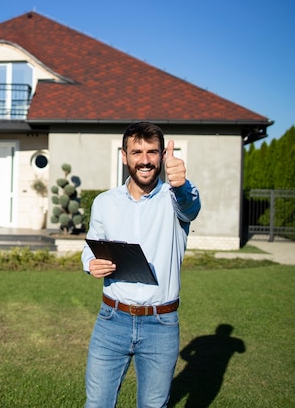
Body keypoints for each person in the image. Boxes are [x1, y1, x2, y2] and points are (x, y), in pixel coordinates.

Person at [81, 122, 201, 408]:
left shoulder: (175, 199)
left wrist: (182, 184)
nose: (145, 160)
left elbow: (190, 206)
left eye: (152, 152)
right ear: (124, 156)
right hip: (111, 320)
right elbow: (91, 247)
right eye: (137, 152)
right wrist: (90, 263)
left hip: (161, 324)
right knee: (97, 404)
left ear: (161, 156)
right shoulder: (104, 202)